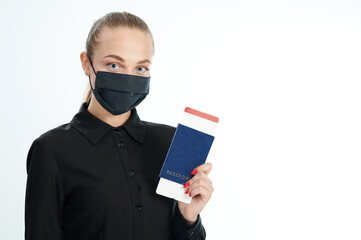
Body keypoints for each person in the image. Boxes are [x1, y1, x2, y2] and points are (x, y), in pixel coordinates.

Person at [24, 11, 214, 240]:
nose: (128, 78)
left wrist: (189, 217)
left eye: (140, 68)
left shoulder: (170, 142)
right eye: (114, 65)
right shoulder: (51, 150)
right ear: (86, 64)